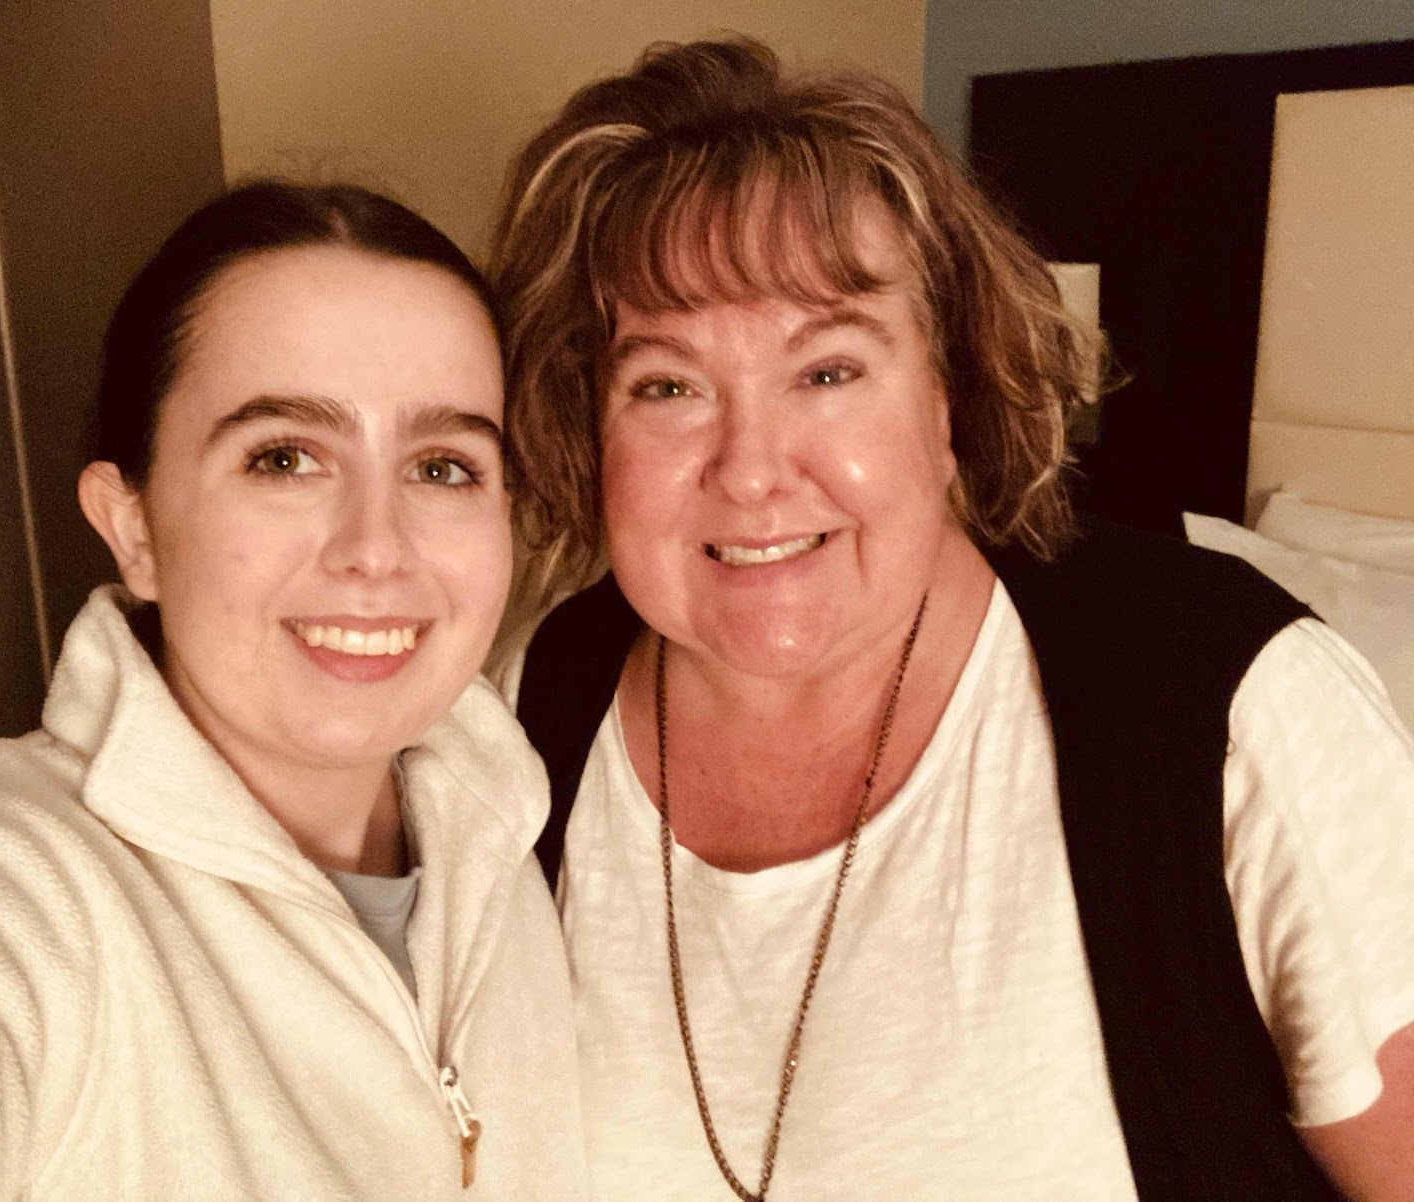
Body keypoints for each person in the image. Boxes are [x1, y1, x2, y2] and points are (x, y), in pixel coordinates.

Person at [489, 36, 1414, 1201]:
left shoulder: (1227, 711)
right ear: (586, 425)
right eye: (666, 385)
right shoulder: (528, 705)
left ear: (949, 393)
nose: (752, 469)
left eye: (826, 371)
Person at [0, 182, 586, 1200]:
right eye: (284, 457)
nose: (377, 547)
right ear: (132, 527)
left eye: (443, 467)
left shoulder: (503, 831)